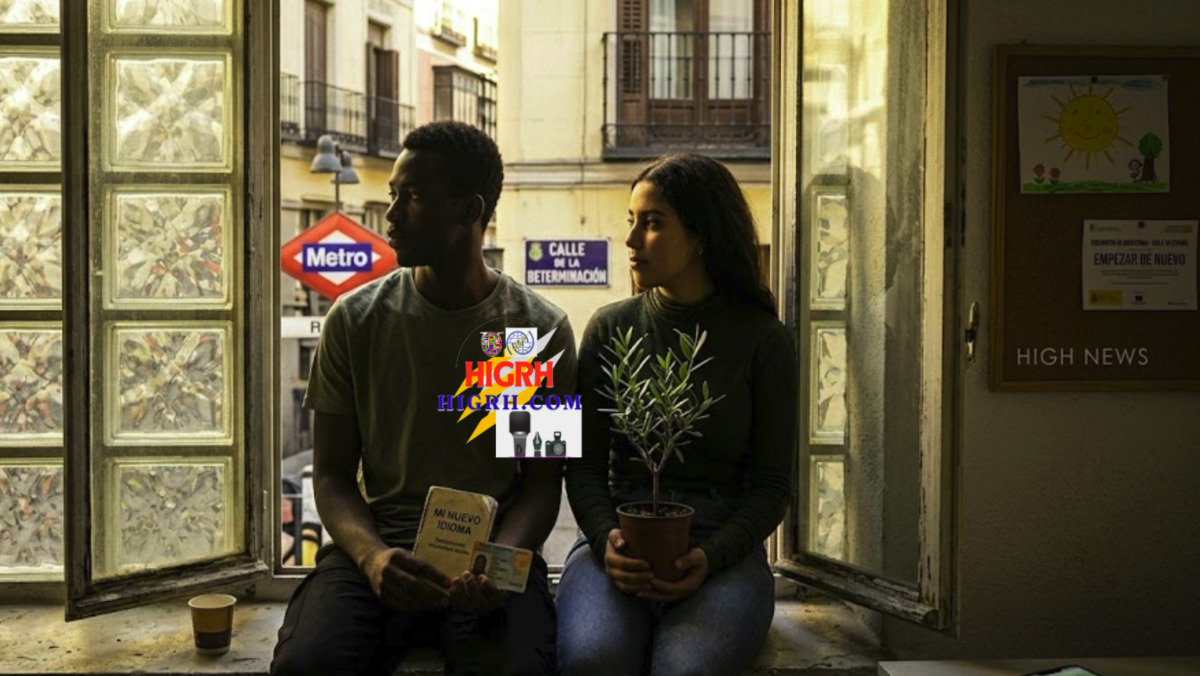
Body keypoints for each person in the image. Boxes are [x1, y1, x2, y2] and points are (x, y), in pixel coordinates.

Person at [271, 121, 577, 676]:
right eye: (393, 195)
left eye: (411, 197)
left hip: (489, 555)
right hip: (378, 548)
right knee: (306, 664)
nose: (390, 214)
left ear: (468, 210)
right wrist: (372, 558)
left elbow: (540, 486)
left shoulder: (531, 330)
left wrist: (497, 565)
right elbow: (332, 476)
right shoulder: (356, 320)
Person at [558, 153, 797, 676]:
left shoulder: (762, 340)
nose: (631, 240)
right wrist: (605, 539)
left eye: (652, 223)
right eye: (631, 221)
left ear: (701, 236)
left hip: (723, 552)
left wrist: (711, 557)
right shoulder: (609, 328)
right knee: (591, 661)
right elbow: (583, 464)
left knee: (687, 671)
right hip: (618, 538)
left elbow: (773, 486)